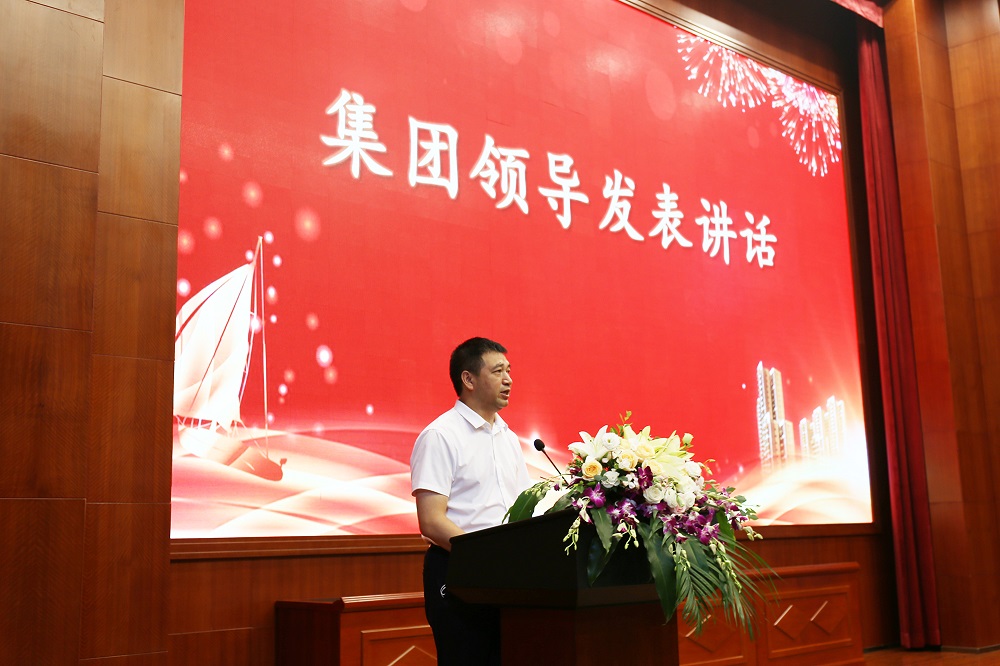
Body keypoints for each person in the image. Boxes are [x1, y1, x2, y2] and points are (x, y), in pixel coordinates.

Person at [409, 337, 532, 666]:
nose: (508, 379)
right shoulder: (441, 436)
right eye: (498, 371)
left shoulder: (508, 438)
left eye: (509, 371)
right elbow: (431, 521)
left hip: (507, 573)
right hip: (458, 569)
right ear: (468, 379)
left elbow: (524, 509)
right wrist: (484, 557)